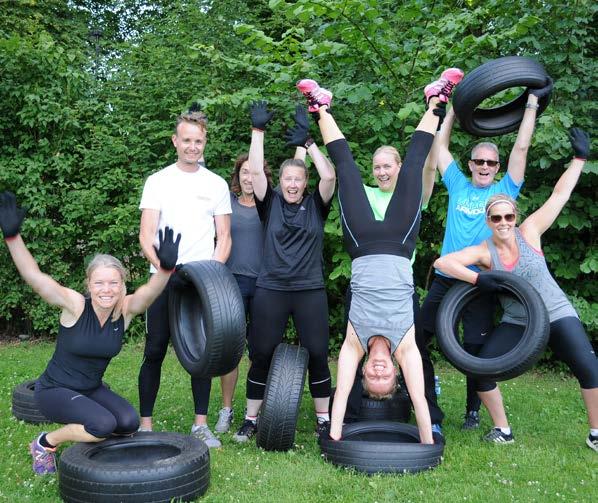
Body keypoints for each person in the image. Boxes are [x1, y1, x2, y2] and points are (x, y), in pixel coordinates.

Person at [297, 68, 464, 443]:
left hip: (362, 244)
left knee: (346, 169)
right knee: (418, 159)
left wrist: (334, 439)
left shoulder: (354, 345)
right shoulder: (406, 348)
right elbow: (419, 399)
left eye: (370, 376)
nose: (375, 370)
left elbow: (340, 396)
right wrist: (426, 444)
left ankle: (321, 108)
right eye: (383, 376)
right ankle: (437, 100)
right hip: (400, 242)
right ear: (395, 371)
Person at [434, 128, 597, 450]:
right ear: (489, 220)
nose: (504, 222)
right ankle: (503, 429)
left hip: (555, 312)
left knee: (588, 367)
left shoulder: (530, 232)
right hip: (518, 322)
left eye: (509, 216)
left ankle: (596, 433)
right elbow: (443, 263)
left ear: (515, 216)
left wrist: (579, 159)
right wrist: (478, 279)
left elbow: (559, 196)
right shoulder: (484, 252)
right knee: (481, 370)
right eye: (497, 218)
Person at [0, 191, 181, 475]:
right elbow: (36, 278)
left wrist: (166, 270)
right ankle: (44, 443)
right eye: (99, 283)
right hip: (55, 390)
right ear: (89, 284)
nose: (106, 290)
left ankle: (87, 434)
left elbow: (148, 294)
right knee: (103, 425)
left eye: (113, 283)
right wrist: (13, 238)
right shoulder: (74, 306)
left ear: (122, 285)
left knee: (128, 422)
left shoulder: (124, 310)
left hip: (91, 389)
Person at [418, 77, 553, 434]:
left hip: (483, 283)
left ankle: (472, 412)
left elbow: (521, 150)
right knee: (417, 338)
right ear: (471, 163)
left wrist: (530, 105)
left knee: (475, 351)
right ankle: (429, 399)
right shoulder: (459, 184)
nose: (483, 166)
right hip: (450, 277)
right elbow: (439, 148)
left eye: (490, 163)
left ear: (496, 168)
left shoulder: (504, 191)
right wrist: (446, 113)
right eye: (478, 160)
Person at [232, 102, 336, 442]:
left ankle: (324, 419)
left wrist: (309, 145)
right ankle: (250, 419)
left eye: (298, 179)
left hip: (309, 290)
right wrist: (257, 132)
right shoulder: (270, 202)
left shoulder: (316, 205)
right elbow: (257, 171)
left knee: (319, 353)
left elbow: (331, 175)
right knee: (261, 352)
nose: (292, 184)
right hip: (272, 289)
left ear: (305, 182)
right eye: (287, 179)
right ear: (281, 182)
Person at [137, 107, 231, 448]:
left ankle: (200, 425)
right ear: (175, 142)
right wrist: (163, 266)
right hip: (162, 280)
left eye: (199, 141)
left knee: (202, 352)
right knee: (155, 349)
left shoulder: (216, 184)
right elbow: (146, 234)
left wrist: (210, 277)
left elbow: (225, 238)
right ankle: (145, 424)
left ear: (205, 143)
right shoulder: (158, 181)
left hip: (199, 285)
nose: (193, 146)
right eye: (187, 140)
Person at [215, 153, 273, 434]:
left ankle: (255, 413)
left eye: (256, 172)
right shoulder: (225, 203)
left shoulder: (269, 204)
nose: (249, 178)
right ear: (237, 175)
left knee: (260, 352)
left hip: (263, 284)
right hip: (232, 283)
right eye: (245, 172)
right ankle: (226, 409)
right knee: (231, 351)